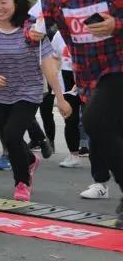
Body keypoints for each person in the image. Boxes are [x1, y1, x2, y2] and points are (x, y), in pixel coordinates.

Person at [33, 0, 123, 228]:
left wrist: (117, 25)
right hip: (87, 73)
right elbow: (60, 34)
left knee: (96, 123)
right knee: (107, 132)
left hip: (119, 66)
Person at [0, 0, 67, 201]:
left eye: (4, 1)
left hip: (28, 92)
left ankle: (22, 182)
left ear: (16, 1)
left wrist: (60, 97)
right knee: (3, 129)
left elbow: (48, 63)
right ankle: (30, 159)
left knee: (12, 135)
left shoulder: (31, 31)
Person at [47, 30, 84, 168]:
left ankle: (105, 157)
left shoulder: (89, 29)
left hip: (88, 75)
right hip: (67, 76)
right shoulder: (59, 34)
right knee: (70, 118)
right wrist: (55, 75)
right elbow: (54, 57)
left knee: (94, 121)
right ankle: (74, 155)